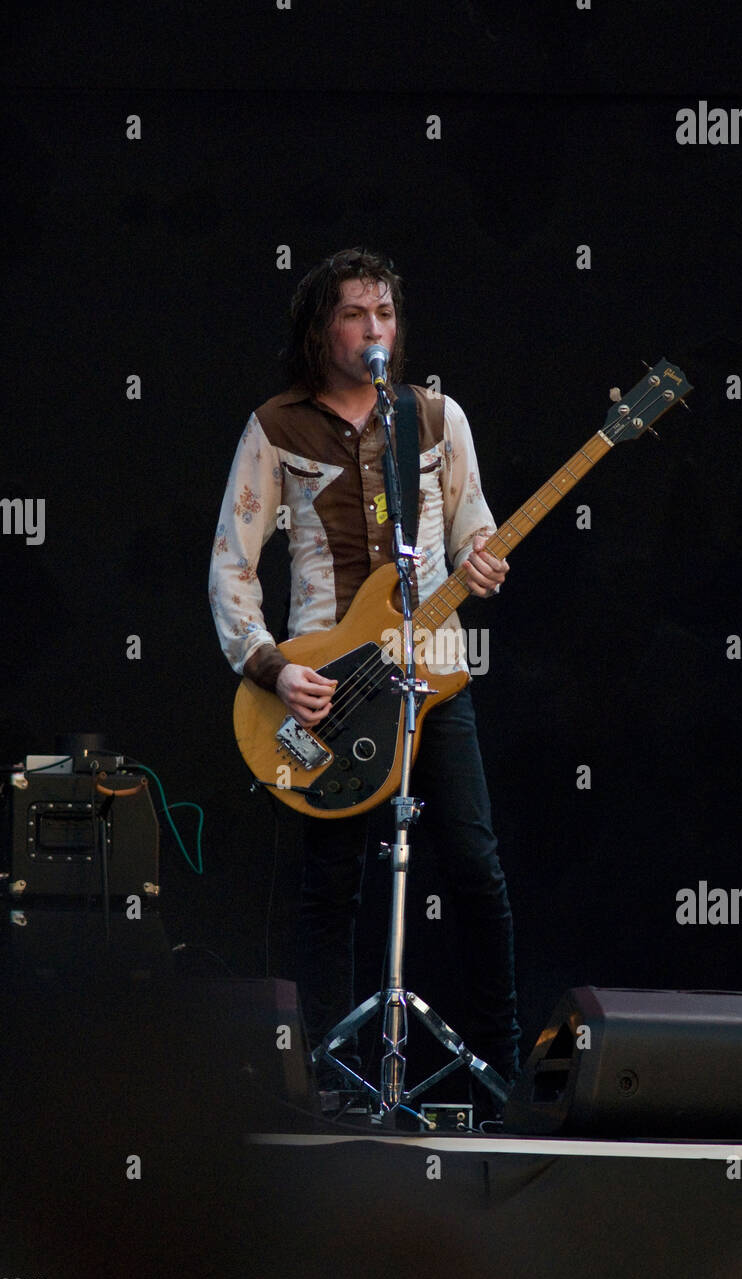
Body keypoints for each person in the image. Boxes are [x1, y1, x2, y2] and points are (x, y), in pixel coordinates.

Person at [209, 247, 520, 1103]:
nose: (375, 329)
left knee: (475, 868)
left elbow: (474, 533)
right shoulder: (277, 427)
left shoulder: (434, 417)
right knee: (331, 889)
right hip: (327, 686)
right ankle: (324, 1079)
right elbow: (232, 567)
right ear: (322, 328)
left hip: (435, 679)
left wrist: (483, 564)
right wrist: (272, 667)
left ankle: (506, 1071)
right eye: (356, 314)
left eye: (385, 314)